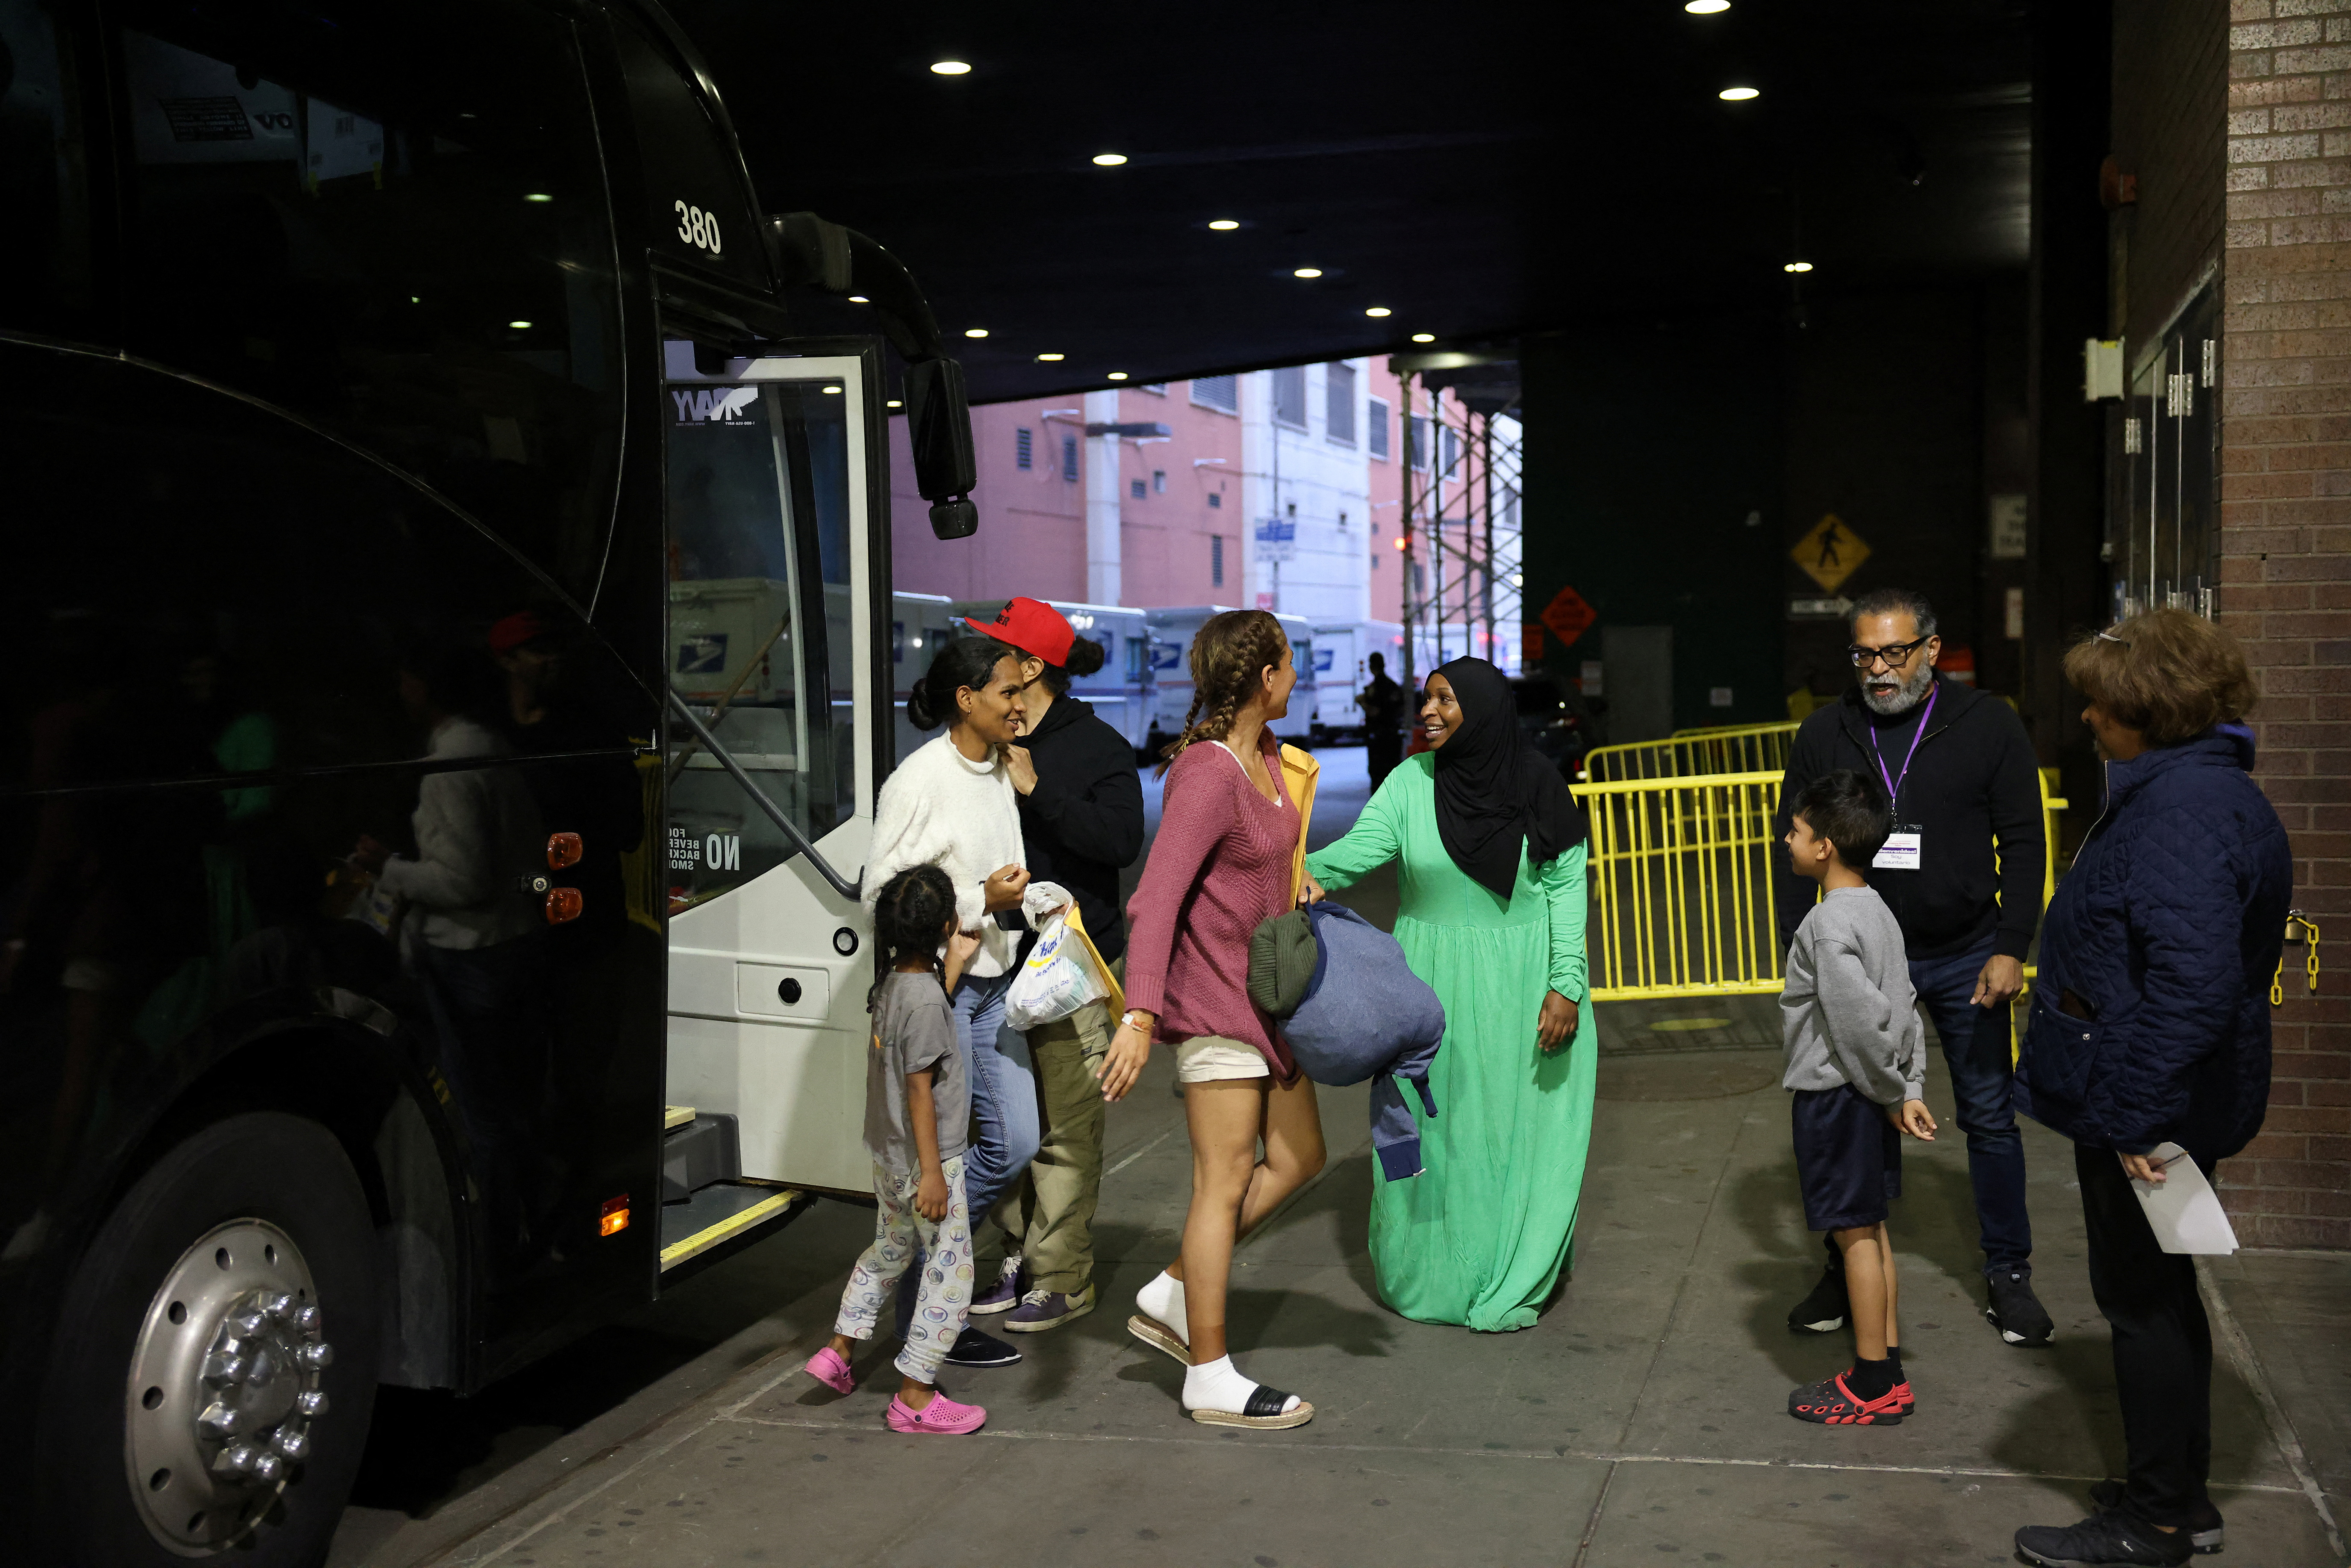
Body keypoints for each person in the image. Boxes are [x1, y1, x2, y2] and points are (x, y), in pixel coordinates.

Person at [2011, 610, 2291, 1568]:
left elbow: (2192, 984)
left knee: (2141, 1303)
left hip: (2150, 1102)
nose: (2087, 715)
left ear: (2152, 711)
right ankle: (2174, 1493)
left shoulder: (2183, 812)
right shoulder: (2193, 792)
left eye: (2102, 702)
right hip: (2156, 1091)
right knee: (2161, 1292)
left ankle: (2157, 1520)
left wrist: (2134, 1114)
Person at [1773, 586, 2053, 1348]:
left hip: (1967, 953)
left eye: (1895, 652)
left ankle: (2009, 1274)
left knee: (1989, 1117)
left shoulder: (1987, 723)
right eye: (1864, 653)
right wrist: (1804, 946)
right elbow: (1790, 841)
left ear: (1932, 649)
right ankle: (1846, 1267)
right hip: (1858, 965)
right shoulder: (1826, 731)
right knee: (1860, 1123)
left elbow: (2024, 841)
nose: (1878, 669)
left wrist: (2010, 946)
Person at [1298, 657, 1596, 1330]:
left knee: (1513, 1133)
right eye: (1426, 698)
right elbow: (1360, 848)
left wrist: (1566, 983)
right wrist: (1295, 873)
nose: (1428, 711)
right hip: (1425, 985)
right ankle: (1436, 1272)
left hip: (1523, 982)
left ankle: (1510, 1264)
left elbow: (1567, 887)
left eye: (1446, 699)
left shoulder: (1539, 785)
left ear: (1484, 709)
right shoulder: (1409, 783)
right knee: (1436, 1130)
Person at [1099, 608, 1323, 1429]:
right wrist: (1140, 1011)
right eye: (1290, 665)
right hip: (1215, 1004)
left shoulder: (1267, 758)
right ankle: (1209, 1371)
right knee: (1222, 1180)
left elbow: (1260, 864)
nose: (1296, 677)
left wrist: (1296, 888)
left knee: (1301, 1156)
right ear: (1264, 676)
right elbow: (1155, 898)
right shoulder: (1208, 772)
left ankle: (1172, 1289)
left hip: (1268, 1000)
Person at [955, 598, 1144, 1334]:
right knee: (999, 1125)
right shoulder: (979, 739)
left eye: (995, 651)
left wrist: (1040, 789)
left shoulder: (1096, 746)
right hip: (991, 966)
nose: (981, 660)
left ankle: (1063, 1275)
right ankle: (1012, 1254)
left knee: (1066, 1127)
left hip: (1068, 972)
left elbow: (1122, 840)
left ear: (1031, 667)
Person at [860, 635, 1037, 1371]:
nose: (1021, 703)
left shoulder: (996, 767)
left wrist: (1029, 906)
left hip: (998, 981)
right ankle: (930, 1319)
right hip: (946, 993)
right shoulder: (919, 780)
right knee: (951, 1160)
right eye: (1008, 692)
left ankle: (918, 1250)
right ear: (967, 700)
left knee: (1017, 1141)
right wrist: (979, 900)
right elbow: (879, 894)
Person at [803, 864, 988, 1435]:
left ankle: (839, 1351)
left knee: (890, 1249)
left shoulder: (891, 986)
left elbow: (916, 1043)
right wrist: (933, 1173)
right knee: (949, 1273)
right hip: (927, 1163)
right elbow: (920, 1091)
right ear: (949, 923)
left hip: (889, 1157)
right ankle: (915, 1396)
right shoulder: (927, 999)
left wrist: (950, 968)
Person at [1778, 769, 1939, 1427]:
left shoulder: (1825, 925)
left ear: (1825, 848)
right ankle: (1889, 1372)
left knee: (1854, 1240)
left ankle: (1871, 1385)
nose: (1787, 840)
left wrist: (1894, 1090)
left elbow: (1859, 1027)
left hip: (1839, 1099)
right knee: (1871, 1232)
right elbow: (1905, 1008)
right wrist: (1910, 1087)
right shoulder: (1879, 911)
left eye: (1796, 830)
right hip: (1872, 1097)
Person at [1359, 650, 1406, 789]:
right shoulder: (1393, 686)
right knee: (1393, 775)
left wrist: (1362, 703)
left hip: (1379, 739)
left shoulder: (1376, 688)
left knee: (1378, 777)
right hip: (1393, 737)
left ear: (1371, 667)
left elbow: (1375, 712)